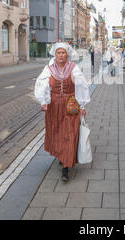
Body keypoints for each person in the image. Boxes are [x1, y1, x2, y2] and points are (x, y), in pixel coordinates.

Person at [34, 43, 90, 181]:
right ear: (55, 54)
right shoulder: (48, 69)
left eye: (63, 53)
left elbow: (81, 86)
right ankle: (62, 155)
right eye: (58, 52)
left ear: (68, 54)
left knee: (70, 134)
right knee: (57, 133)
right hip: (54, 107)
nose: (61, 55)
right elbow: (42, 85)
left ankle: (65, 168)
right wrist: (43, 101)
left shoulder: (73, 68)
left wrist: (82, 106)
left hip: (70, 106)